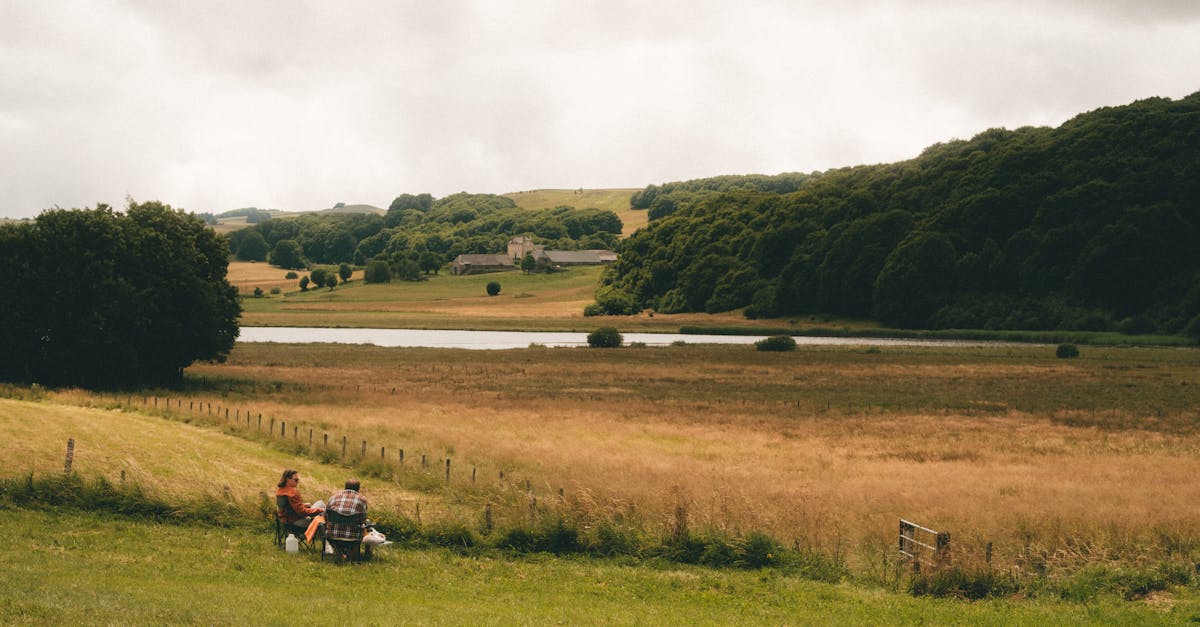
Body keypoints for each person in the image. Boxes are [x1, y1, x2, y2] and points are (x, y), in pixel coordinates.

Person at [325, 477, 370, 559]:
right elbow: (363, 518)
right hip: (353, 536)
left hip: (333, 535)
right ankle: (351, 555)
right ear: (358, 489)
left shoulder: (334, 497)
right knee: (363, 527)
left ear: (345, 487)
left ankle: (339, 553)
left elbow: (326, 515)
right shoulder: (362, 499)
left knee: (332, 532)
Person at [275, 469, 324, 537]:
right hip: (296, 523)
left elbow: (289, 507)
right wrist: (320, 510)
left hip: (284, 522)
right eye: (296, 480)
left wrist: (303, 505)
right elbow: (302, 512)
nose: (297, 482)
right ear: (288, 479)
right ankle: (326, 540)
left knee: (319, 508)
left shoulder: (281, 490)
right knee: (321, 505)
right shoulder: (292, 493)